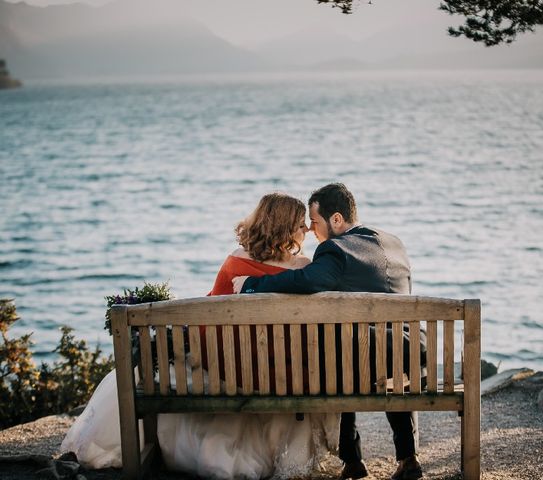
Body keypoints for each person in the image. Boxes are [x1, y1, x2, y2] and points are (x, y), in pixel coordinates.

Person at [61, 193, 339, 479]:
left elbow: (208, 328)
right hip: (279, 373)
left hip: (227, 371)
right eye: (300, 224)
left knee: (151, 372)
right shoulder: (303, 268)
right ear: (284, 228)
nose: (305, 229)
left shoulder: (234, 262)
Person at [233, 183, 425, 480]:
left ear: (336, 220)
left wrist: (252, 285)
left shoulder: (335, 249)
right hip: (412, 350)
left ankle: (352, 460)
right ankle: (408, 457)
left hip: (361, 356)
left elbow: (307, 281)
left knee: (340, 353)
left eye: (315, 222)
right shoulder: (393, 243)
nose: (311, 230)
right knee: (386, 362)